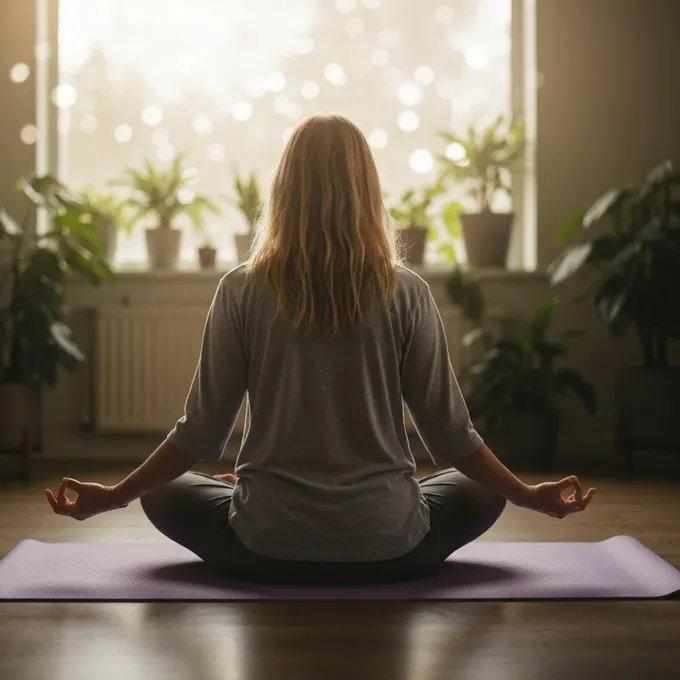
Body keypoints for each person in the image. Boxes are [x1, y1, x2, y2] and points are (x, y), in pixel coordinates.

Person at [45, 114, 595, 586]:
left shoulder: (241, 288)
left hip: (262, 551)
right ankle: (343, 501)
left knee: (163, 494)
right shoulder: (408, 292)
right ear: (369, 191)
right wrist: (527, 495)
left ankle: (264, 489)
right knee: (482, 492)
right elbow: (452, 438)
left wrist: (113, 495)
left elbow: (200, 434)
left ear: (283, 189)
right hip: (393, 552)